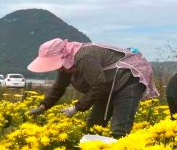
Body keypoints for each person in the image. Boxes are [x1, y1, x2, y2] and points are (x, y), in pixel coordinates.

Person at [27, 38, 158, 138]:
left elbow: (99, 85)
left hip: (128, 80)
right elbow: (59, 86)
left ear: (61, 56)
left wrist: (76, 108)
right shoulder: (66, 64)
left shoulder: (83, 57)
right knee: (94, 126)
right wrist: (43, 106)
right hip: (107, 85)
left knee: (120, 128)